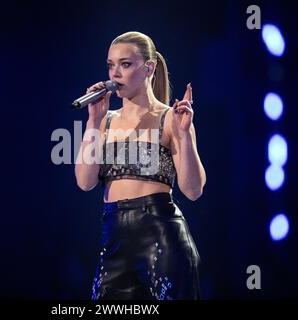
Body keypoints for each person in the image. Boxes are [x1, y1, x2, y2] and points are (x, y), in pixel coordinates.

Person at [74, 31, 206, 300]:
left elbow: (193, 190)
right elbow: (85, 182)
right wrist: (92, 123)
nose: (115, 73)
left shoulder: (171, 118)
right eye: (111, 65)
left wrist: (183, 135)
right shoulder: (104, 121)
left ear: (149, 68)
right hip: (114, 240)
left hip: (162, 237)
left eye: (125, 64)